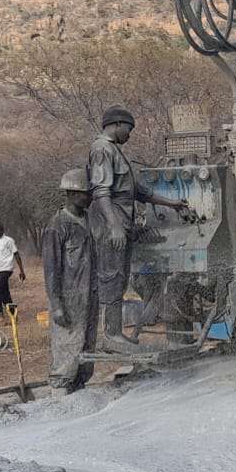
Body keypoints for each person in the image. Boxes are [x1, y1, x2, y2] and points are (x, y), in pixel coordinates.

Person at [88, 106, 188, 353]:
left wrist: (171, 203)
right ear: (118, 124)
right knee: (112, 279)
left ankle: (115, 334)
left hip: (122, 224)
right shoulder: (102, 149)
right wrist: (114, 227)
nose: (129, 135)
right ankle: (112, 335)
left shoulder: (115, 151)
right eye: (129, 129)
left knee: (120, 279)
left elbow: (138, 192)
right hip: (112, 226)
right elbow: (101, 192)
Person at [43, 169, 97, 395]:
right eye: (87, 194)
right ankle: (60, 397)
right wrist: (56, 305)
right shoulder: (58, 226)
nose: (90, 197)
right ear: (73, 194)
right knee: (67, 349)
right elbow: (51, 269)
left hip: (90, 295)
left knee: (86, 348)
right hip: (68, 298)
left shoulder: (89, 221)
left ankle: (79, 391)